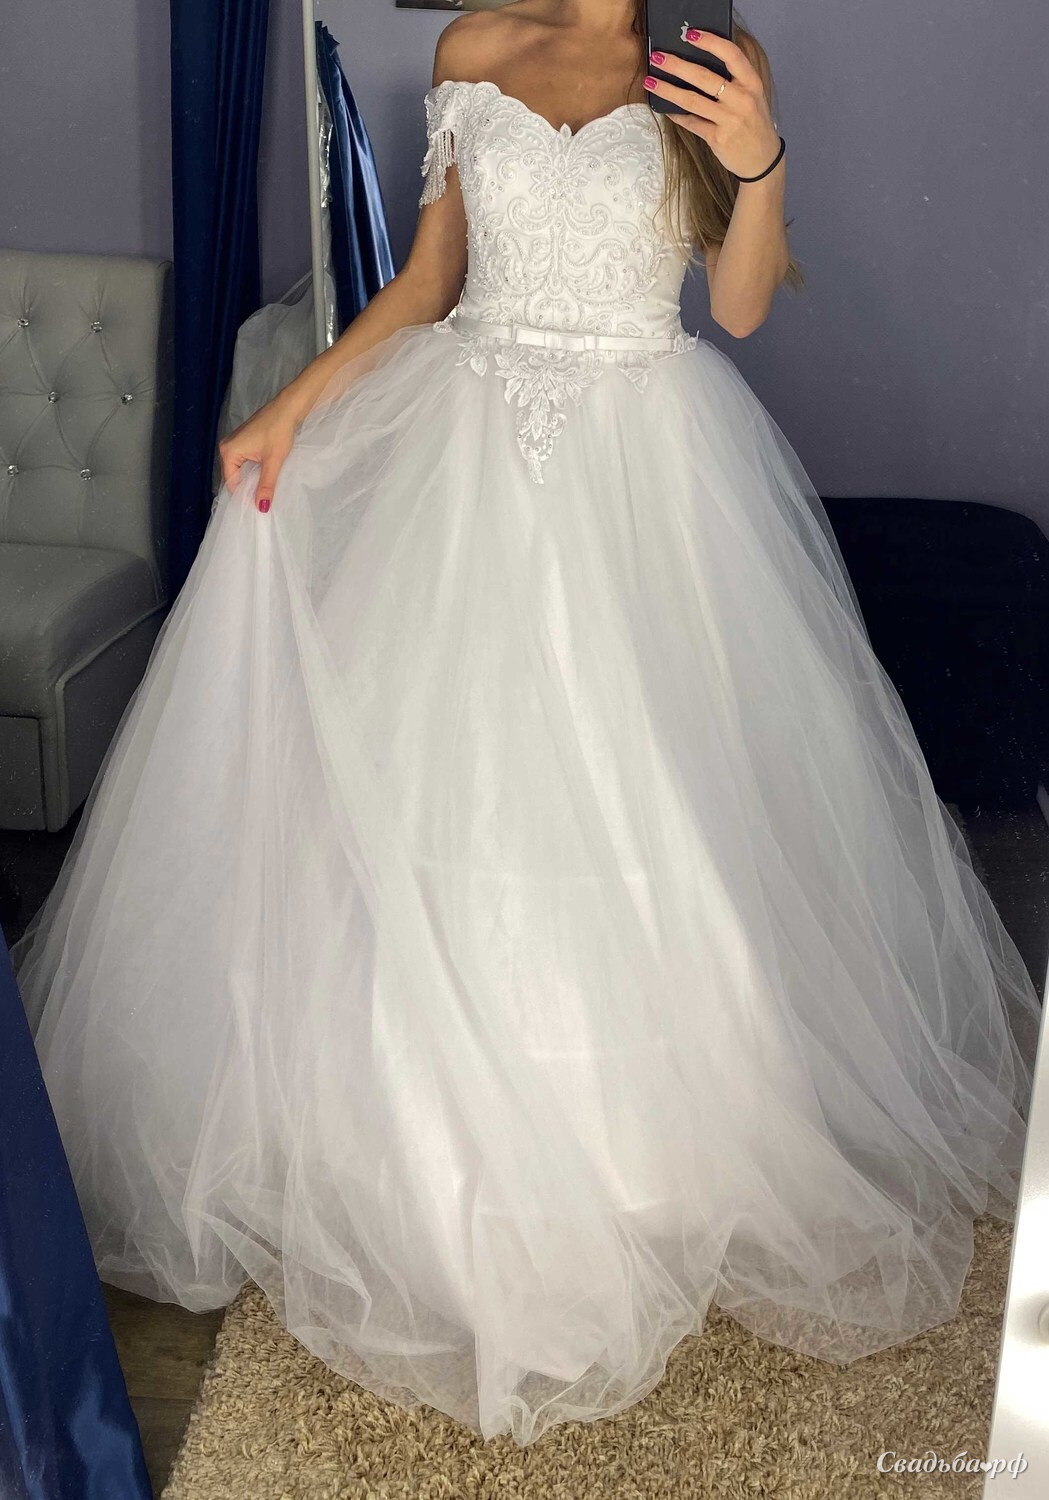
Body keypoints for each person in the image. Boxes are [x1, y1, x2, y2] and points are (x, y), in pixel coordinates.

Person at [13, 0, 1041, 1447]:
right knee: (449, 804)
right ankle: (421, 1158)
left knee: (635, 809)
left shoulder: (705, 64)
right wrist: (294, 408)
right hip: (468, 461)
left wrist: (760, 160)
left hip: (643, 473)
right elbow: (430, 282)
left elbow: (742, 304)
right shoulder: (471, 49)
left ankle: (646, 1160)